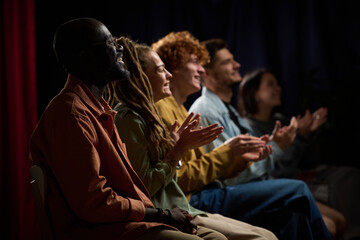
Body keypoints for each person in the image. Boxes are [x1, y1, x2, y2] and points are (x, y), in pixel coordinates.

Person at [29, 17, 228, 240]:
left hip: (126, 220)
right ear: (86, 59)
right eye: (110, 43)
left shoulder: (98, 109)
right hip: (102, 230)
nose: (120, 48)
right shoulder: (73, 115)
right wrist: (163, 214)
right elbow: (94, 203)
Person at [152, 31, 332, 239]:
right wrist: (232, 154)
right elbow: (182, 178)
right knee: (298, 190)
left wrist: (242, 159)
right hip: (195, 199)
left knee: (294, 214)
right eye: (195, 62)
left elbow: (206, 168)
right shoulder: (191, 110)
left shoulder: (184, 109)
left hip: (206, 192)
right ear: (173, 67)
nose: (200, 70)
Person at [108, 36, 278, 240]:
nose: (202, 70)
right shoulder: (136, 116)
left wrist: (238, 158)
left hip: (184, 203)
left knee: (270, 231)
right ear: (142, 76)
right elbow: (166, 181)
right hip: (183, 203)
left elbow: (176, 172)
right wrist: (182, 150)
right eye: (195, 62)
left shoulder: (163, 111)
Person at [240, 68, 360, 240]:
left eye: (277, 84)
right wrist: (298, 136)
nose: (278, 88)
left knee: (349, 180)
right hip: (279, 184)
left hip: (298, 177)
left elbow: (302, 160)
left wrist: (308, 134)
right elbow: (272, 170)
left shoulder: (280, 119)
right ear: (255, 94)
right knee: (332, 224)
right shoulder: (247, 128)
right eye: (270, 84)